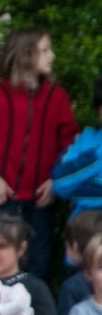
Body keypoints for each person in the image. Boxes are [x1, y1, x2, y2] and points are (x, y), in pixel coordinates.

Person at [0, 29, 75, 279]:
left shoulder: (56, 97)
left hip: (41, 198)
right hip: (5, 195)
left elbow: (69, 145)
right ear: (26, 54)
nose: (52, 55)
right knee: (0, 260)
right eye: (45, 50)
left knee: (38, 263)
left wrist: (56, 181)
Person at [49, 77, 102, 219]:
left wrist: (83, 188)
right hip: (84, 226)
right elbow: (59, 183)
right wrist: (96, 160)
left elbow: (74, 186)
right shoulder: (85, 139)